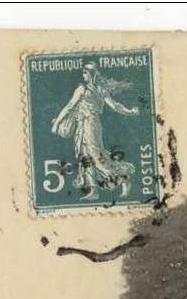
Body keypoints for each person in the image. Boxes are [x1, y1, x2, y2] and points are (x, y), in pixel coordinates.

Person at [50, 62, 140, 200]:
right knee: (84, 156)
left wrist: (56, 124)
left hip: (90, 125)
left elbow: (69, 106)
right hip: (83, 125)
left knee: (95, 156)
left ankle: (122, 179)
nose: (83, 75)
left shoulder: (87, 89)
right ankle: (93, 191)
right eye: (83, 73)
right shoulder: (94, 89)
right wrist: (130, 112)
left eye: (85, 73)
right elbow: (114, 106)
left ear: (91, 74)